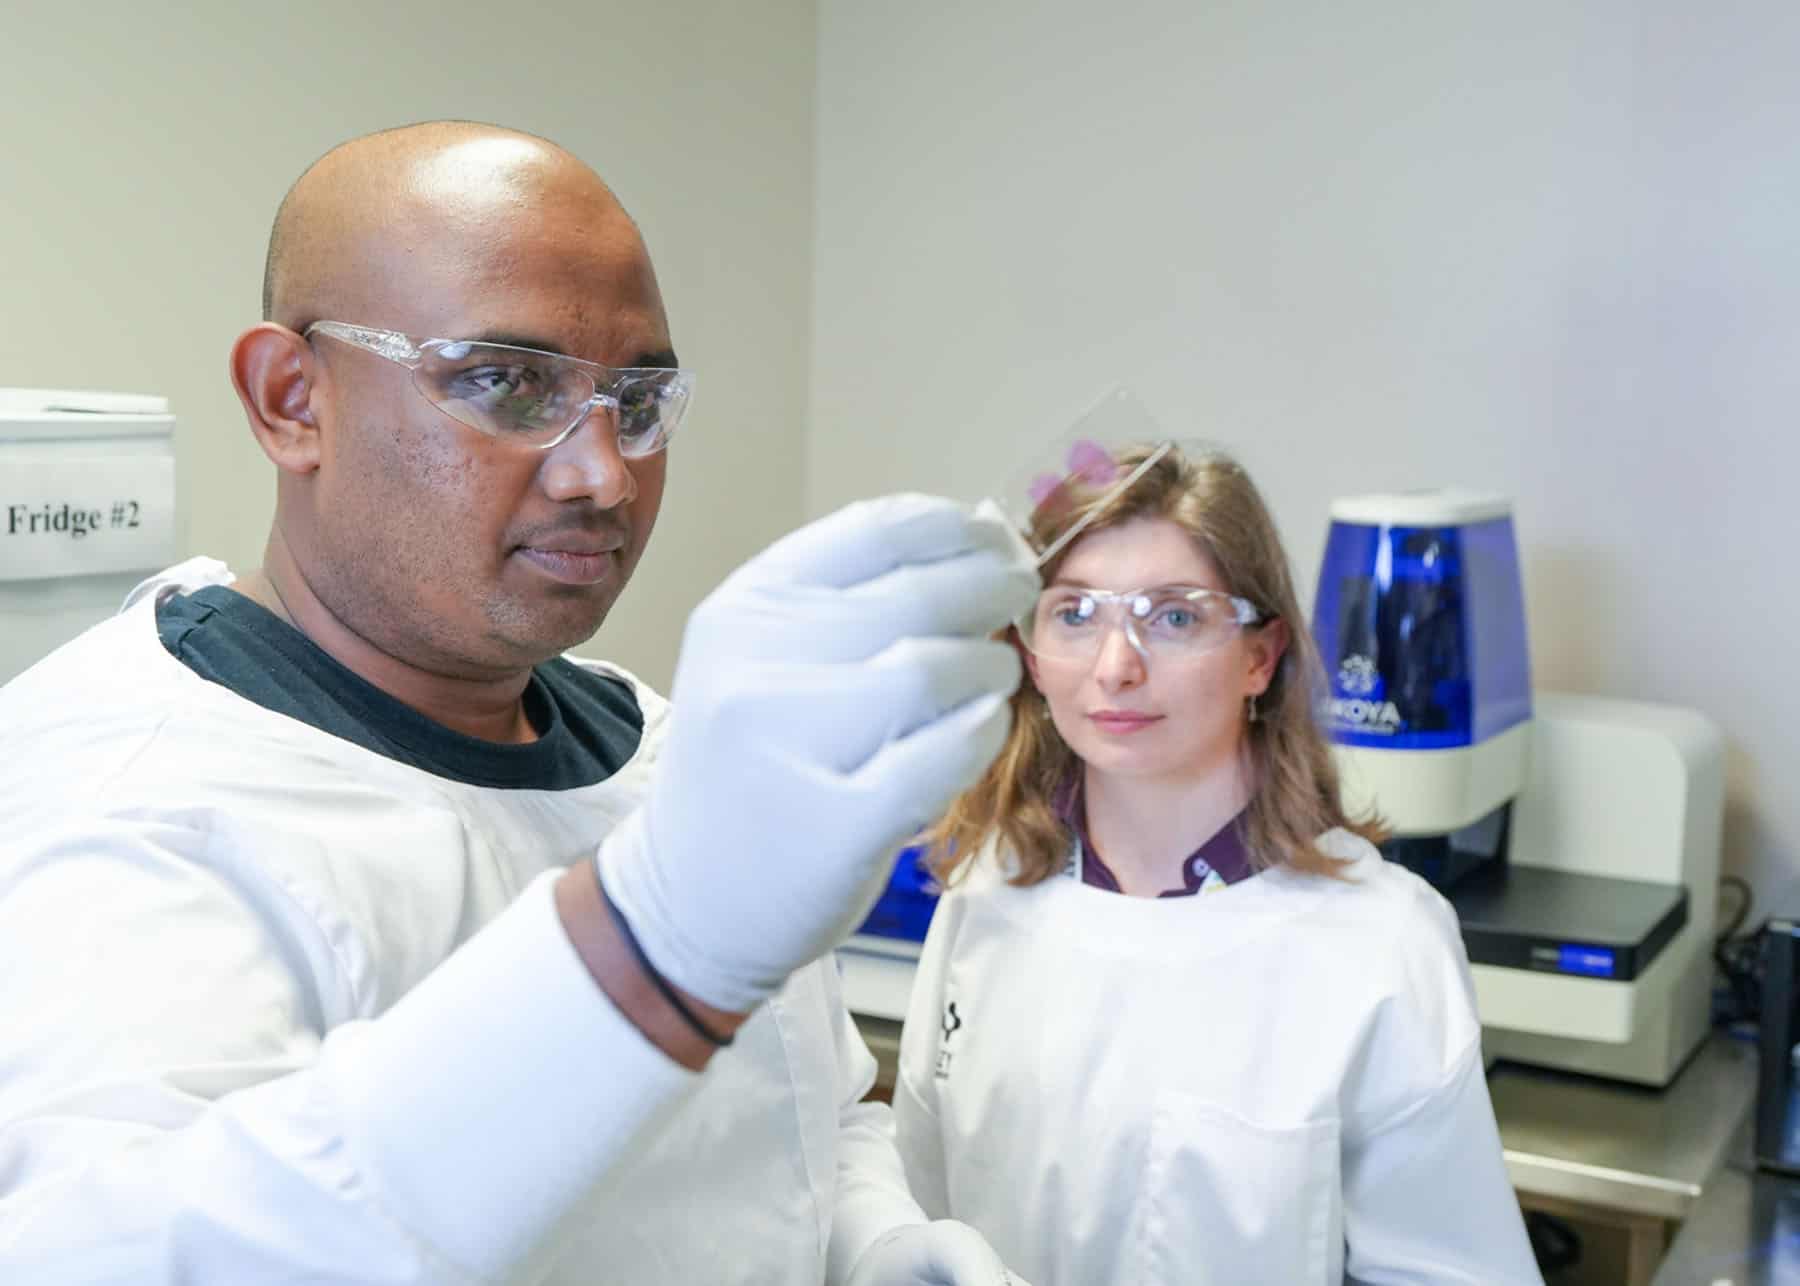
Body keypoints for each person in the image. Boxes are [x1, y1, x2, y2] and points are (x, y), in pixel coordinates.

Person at [0, 121, 1039, 1285]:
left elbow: (807, 1107)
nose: (602, 473)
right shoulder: (127, 791)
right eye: (506, 381)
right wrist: (647, 946)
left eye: (636, 400)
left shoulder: (654, 748)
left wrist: (877, 1241)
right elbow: (120, 1252)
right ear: (294, 399)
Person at [892, 443, 1543, 1284]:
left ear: (1260, 656)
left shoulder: (1380, 944)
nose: (1115, 666)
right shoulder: (987, 893)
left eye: (1173, 616)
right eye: (1076, 613)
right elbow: (916, 1216)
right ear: (1028, 650)